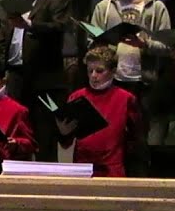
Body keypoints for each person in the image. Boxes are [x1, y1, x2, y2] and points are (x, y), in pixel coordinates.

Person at [88, 0, 172, 176]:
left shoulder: (155, 7)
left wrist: (145, 44)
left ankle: (139, 185)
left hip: (144, 81)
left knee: (140, 139)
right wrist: (107, 43)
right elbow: (91, 42)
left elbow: (168, 45)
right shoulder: (104, 7)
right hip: (113, 81)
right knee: (112, 136)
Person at [0, 0, 71, 162]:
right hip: (17, 77)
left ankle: (46, 187)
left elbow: (59, 28)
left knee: (44, 136)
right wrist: (0, 72)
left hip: (44, 79)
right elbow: (3, 40)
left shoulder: (55, 0)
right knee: (17, 135)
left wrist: (29, 24)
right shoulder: (12, 2)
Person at [57, 46, 140, 178]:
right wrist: (63, 133)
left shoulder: (126, 98)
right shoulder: (77, 97)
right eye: (90, 71)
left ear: (113, 71)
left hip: (112, 169)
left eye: (99, 71)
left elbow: (135, 139)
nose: (94, 76)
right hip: (83, 168)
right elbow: (65, 143)